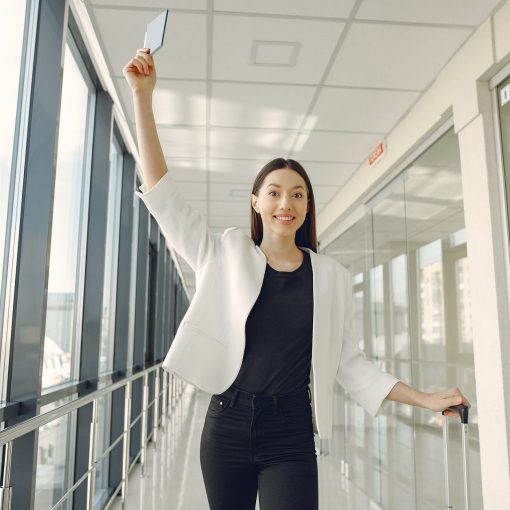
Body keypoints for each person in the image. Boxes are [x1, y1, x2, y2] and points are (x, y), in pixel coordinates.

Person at [123, 48, 470, 510]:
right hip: (225, 426)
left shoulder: (330, 277)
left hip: (290, 431)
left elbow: (352, 364)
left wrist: (424, 399)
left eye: (298, 194)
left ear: (306, 207)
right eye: (275, 192)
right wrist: (143, 99)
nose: (286, 202)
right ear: (256, 203)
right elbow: (163, 198)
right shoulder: (224, 254)